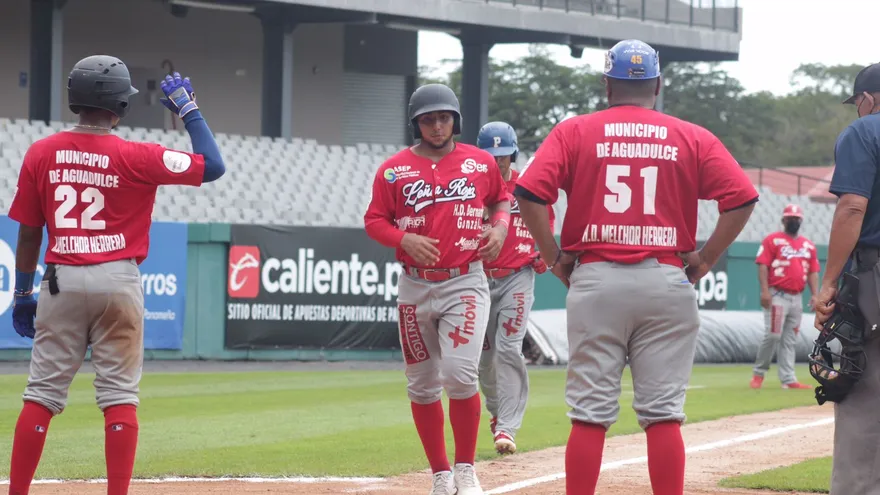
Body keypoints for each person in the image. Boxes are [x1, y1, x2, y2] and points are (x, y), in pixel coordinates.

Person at [513, 39, 758, 495]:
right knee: (663, 414)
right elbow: (742, 198)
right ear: (658, 85)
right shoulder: (691, 135)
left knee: (589, 414)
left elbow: (528, 193)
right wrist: (706, 257)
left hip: (597, 276)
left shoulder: (575, 131)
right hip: (666, 278)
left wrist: (552, 257)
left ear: (607, 85)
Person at [7, 55, 225, 495]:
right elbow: (213, 165)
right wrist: (188, 109)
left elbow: (29, 233)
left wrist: (24, 291)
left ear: (75, 99)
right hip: (119, 281)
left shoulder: (41, 152)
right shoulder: (137, 155)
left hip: (61, 276)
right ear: (121, 105)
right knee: (120, 397)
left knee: (42, 396)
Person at [363, 83, 511, 495]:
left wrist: (500, 227)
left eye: (443, 117)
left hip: (464, 278)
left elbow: (501, 199)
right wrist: (401, 239)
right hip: (414, 284)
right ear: (416, 123)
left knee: (460, 375)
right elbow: (374, 220)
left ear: (455, 120)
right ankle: (441, 474)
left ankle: (466, 469)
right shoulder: (393, 170)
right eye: (428, 119)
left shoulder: (481, 163)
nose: (437, 125)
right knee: (421, 383)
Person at [813, 62, 880, 495]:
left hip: (875, 270)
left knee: (864, 392)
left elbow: (853, 207)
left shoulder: (865, 130)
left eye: (858, 101)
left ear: (868, 99)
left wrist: (829, 282)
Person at [475, 121, 555, 456]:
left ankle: (508, 426)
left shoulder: (528, 186)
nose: (499, 162)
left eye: (504, 156)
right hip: (477, 278)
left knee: (509, 349)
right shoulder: (469, 187)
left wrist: (543, 253)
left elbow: (546, 221)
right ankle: (497, 414)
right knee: (483, 360)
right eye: (492, 156)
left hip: (516, 276)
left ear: (513, 154)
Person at [750, 203, 819, 390]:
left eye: (796, 219)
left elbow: (813, 271)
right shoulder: (773, 240)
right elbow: (762, 265)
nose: (793, 221)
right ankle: (759, 373)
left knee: (790, 339)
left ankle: (788, 379)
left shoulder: (808, 245)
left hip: (797, 297)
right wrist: (765, 291)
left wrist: (815, 294)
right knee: (773, 334)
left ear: (801, 221)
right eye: (790, 218)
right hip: (777, 294)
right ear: (783, 220)